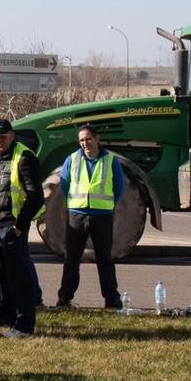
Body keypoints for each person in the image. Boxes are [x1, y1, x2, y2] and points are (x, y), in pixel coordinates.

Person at [0, 118, 44, 337]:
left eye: (2, 137)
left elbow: (36, 197)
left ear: (12, 136)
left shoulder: (24, 158)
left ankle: (24, 325)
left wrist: (19, 227)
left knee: (19, 279)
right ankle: (5, 317)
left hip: (10, 226)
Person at [54, 124, 126, 310]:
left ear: (97, 139)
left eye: (88, 139)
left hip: (102, 216)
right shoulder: (72, 159)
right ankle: (65, 298)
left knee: (105, 260)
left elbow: (118, 188)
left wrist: (105, 205)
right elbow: (65, 185)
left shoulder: (111, 161)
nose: (85, 143)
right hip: (76, 216)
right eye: (81, 140)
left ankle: (112, 300)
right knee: (71, 259)